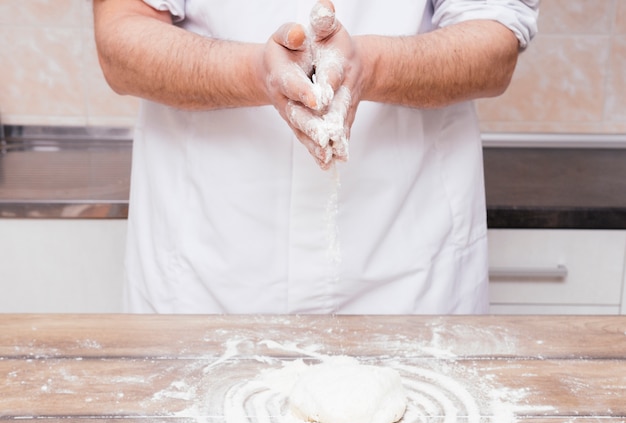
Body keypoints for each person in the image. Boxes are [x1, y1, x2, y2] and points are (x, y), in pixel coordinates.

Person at [93, 0, 538, 314]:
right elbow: (121, 39)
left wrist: (370, 66)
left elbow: (493, 46)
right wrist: (256, 73)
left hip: (404, 266)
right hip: (209, 264)